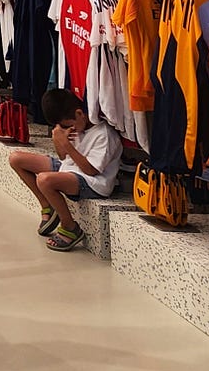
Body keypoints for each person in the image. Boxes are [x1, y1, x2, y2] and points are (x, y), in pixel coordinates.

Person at [8, 85, 124, 252]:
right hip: (70, 168)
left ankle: (70, 227)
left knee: (44, 180)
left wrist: (66, 144)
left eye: (67, 125)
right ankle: (48, 205)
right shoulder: (75, 126)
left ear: (79, 114)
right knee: (16, 159)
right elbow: (63, 157)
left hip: (92, 182)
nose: (67, 129)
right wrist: (58, 140)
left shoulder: (104, 134)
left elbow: (91, 170)